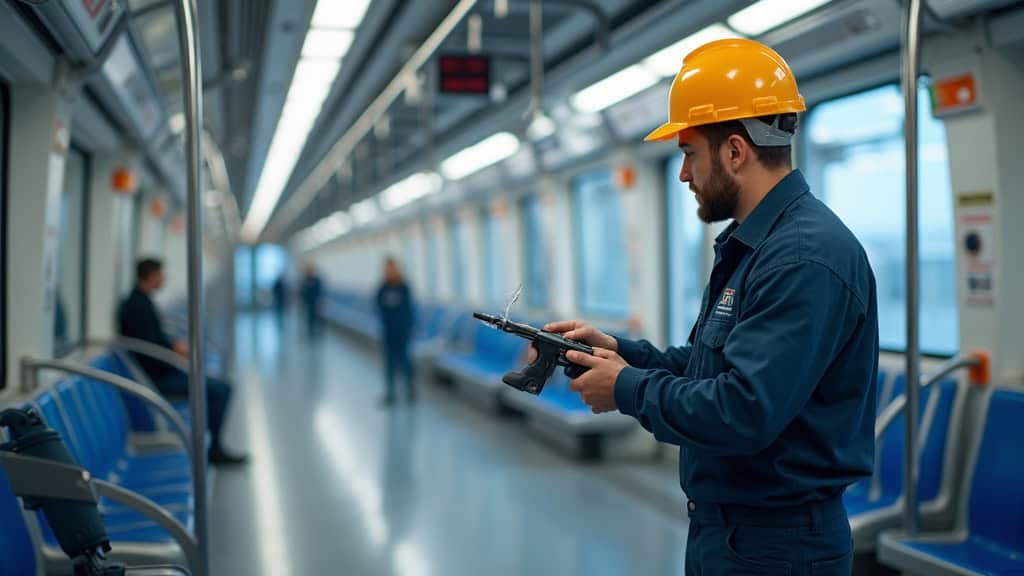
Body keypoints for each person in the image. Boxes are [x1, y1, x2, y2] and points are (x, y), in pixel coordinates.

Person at [536, 39, 878, 574]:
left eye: (689, 154)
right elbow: (707, 367)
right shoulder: (756, 246)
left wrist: (625, 388)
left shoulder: (803, 259)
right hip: (735, 534)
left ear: (735, 151)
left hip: (780, 548)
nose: (683, 175)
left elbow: (743, 410)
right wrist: (619, 353)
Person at [118, 258, 247, 465]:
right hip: (157, 377)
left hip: (163, 368)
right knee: (221, 390)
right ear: (151, 276)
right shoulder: (137, 307)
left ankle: (213, 444)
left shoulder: (142, 301)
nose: (164, 279)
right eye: (161, 274)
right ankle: (214, 449)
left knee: (220, 386)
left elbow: (152, 339)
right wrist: (172, 350)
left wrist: (174, 347)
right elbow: (148, 350)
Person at [375, 257, 416, 406]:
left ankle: (410, 389)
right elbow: (378, 305)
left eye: (391, 267)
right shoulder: (383, 287)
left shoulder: (403, 287)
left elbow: (410, 308)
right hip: (388, 330)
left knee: (405, 360)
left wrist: (410, 326)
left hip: (402, 330)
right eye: (387, 268)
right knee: (389, 362)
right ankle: (390, 393)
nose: (389, 271)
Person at [300, 264, 323, 338]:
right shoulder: (305, 280)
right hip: (308, 302)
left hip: (316, 301)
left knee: (316, 317)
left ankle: (317, 331)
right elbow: (302, 291)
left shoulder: (317, 280)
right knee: (309, 317)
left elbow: (320, 291)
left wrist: (320, 301)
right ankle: (310, 331)